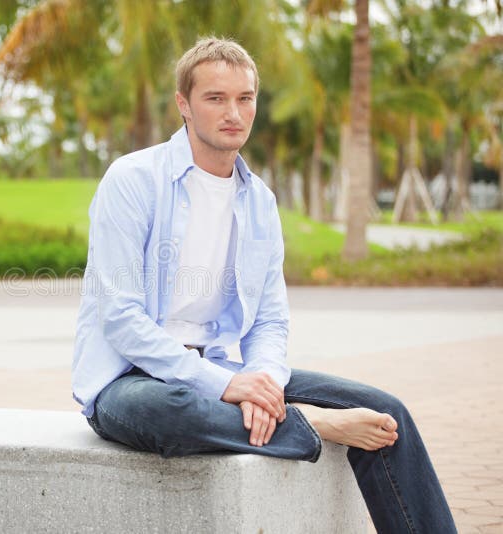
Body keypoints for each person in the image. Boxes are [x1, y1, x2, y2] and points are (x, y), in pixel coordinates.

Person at [71, 37, 456, 533]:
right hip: (131, 378)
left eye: (245, 98)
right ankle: (312, 425)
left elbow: (270, 319)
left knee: (384, 412)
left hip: (226, 366)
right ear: (183, 105)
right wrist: (229, 386)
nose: (234, 112)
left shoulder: (260, 202)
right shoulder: (131, 180)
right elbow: (121, 319)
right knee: (164, 408)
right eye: (215, 98)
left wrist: (263, 384)